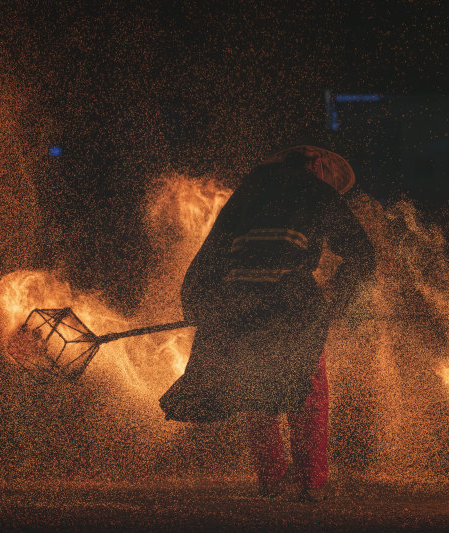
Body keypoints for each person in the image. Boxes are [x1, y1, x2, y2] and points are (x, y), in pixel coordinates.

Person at [159, 145, 375, 502]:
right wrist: (336, 296)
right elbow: (363, 253)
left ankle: (271, 478)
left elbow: (213, 251)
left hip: (238, 301)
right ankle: (310, 482)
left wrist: (199, 304)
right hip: (290, 302)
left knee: (256, 385)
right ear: (318, 165)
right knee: (308, 387)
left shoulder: (250, 190)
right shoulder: (316, 191)